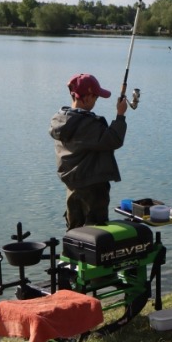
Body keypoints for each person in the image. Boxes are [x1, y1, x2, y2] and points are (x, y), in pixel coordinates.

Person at [49, 73, 128, 230]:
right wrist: (120, 115)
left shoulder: (61, 120)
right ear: (85, 98)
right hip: (93, 188)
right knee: (95, 232)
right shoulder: (86, 124)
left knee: (74, 230)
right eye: (95, 97)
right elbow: (113, 140)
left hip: (72, 186)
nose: (96, 101)